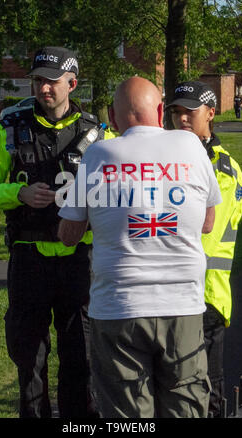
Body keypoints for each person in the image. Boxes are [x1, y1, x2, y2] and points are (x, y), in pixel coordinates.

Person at [58, 76, 222, 418]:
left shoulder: (98, 154)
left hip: (118, 308)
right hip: (182, 306)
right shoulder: (191, 147)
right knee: (185, 409)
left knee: (127, 416)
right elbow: (208, 223)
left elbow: (69, 234)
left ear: (114, 120)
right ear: (161, 111)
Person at [0, 46, 114, 418]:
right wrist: (17, 193)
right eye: (37, 81)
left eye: (51, 82)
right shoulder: (8, 127)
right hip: (28, 258)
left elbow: (118, 194)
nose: (43, 89)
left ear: (72, 84)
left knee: (78, 356)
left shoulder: (99, 136)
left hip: (79, 261)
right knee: (28, 355)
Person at [165, 81, 242, 417]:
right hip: (174, 291)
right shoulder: (166, 158)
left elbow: (203, 227)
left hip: (204, 296)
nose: (182, 119)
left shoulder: (223, 170)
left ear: (211, 114)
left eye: (190, 112)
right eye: (176, 112)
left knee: (204, 388)